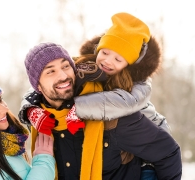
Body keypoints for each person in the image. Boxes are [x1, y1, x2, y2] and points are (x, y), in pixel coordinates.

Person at [19, 14, 181, 179]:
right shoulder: (44, 118)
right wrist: (30, 110)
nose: (62, 75)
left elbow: (168, 152)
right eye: (51, 71)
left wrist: (78, 109)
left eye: (118, 59)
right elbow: (34, 95)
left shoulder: (122, 104)